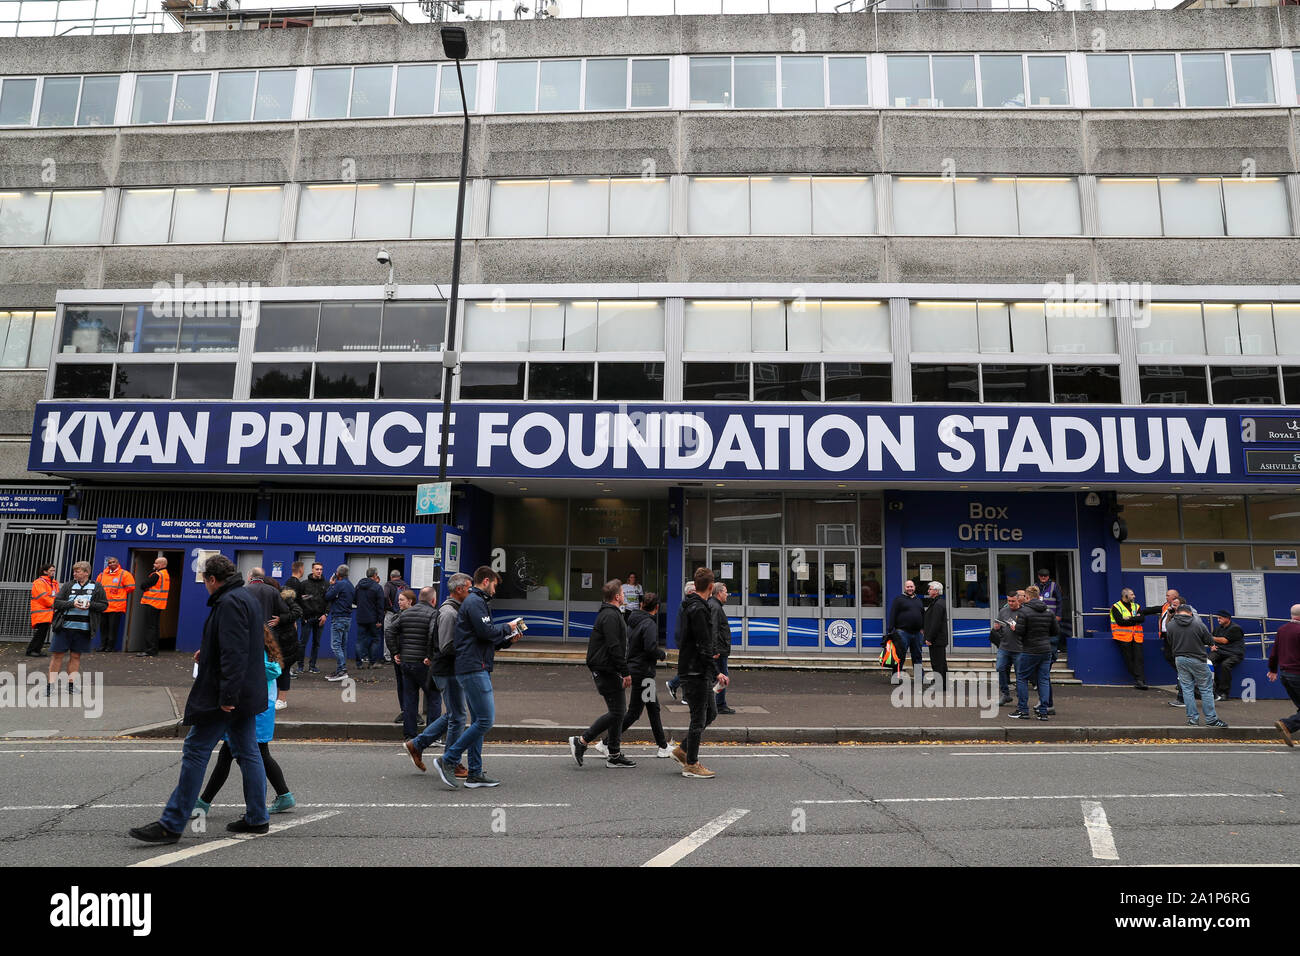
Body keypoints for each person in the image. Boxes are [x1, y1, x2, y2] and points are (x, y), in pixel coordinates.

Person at [129, 554, 269, 844]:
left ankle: (171, 823)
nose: (205, 586)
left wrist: (228, 695)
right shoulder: (245, 597)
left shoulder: (228, 602)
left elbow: (235, 652)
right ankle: (257, 818)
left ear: (212, 579)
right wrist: (207, 651)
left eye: (205, 581)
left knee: (195, 749)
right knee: (248, 751)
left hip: (227, 694)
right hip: (247, 690)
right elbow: (242, 643)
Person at [430, 567, 522, 790]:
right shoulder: (475, 602)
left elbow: (485, 639)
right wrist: (507, 626)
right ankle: (448, 760)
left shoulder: (475, 602)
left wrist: (508, 639)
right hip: (473, 668)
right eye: (495, 585)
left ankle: (475, 773)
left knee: (479, 720)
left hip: (473, 666)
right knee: (485, 720)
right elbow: (486, 633)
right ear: (487, 581)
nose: (495, 589)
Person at [193, 626, 296, 817]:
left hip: (256, 708)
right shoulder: (261, 648)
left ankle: (203, 803)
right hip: (259, 707)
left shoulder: (254, 651)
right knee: (257, 755)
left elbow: (269, 670)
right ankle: (283, 795)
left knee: (230, 755)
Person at [404, 574, 471, 780]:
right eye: (469, 588)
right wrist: (470, 649)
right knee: (457, 716)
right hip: (447, 670)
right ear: (458, 590)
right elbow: (446, 645)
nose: (471, 592)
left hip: (448, 669)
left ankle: (418, 744)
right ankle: (451, 761)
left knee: (454, 714)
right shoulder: (449, 612)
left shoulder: (451, 609)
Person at [570, 580, 636, 769]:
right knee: (618, 712)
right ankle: (582, 741)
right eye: (622, 592)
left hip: (608, 668)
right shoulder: (610, 616)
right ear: (616, 597)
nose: (624, 595)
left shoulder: (612, 614)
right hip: (606, 668)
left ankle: (614, 753)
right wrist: (625, 672)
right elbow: (614, 646)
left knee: (618, 712)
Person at [674, 566, 728, 779]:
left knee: (711, 713)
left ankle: (683, 750)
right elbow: (703, 643)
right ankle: (691, 764)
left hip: (698, 669)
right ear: (712, 586)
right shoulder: (698, 609)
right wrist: (716, 671)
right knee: (698, 718)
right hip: (694, 670)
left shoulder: (695, 605)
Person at [620, 593, 674, 758]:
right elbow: (650, 648)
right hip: (644, 674)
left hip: (637, 670)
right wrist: (662, 654)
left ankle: (663, 745)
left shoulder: (633, 621)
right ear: (656, 608)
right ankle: (607, 741)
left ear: (642, 605)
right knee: (635, 712)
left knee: (653, 708)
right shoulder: (649, 623)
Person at [49, 561, 108, 695]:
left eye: (78, 571)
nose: (74, 573)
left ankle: (70, 686)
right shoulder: (68, 585)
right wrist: (72, 604)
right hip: (64, 628)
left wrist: (90, 604)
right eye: (74, 571)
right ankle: (50, 686)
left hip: (83, 628)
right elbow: (56, 603)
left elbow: (104, 605)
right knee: (57, 656)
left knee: (75, 656)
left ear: (86, 573)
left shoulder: (97, 587)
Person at [1167, 605, 1227, 728]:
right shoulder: (1197, 623)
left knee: (1187, 690)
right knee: (1205, 689)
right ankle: (1211, 719)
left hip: (1180, 659)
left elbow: (1170, 640)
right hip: (1197, 658)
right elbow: (1209, 639)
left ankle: (1193, 720)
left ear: (1178, 612)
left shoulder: (1171, 624)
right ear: (1190, 613)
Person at [391, 586, 438, 741]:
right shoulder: (433, 613)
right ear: (433, 600)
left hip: (406, 662)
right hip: (423, 663)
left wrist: (395, 652)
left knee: (410, 698)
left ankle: (409, 734)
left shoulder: (405, 614)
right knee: (433, 696)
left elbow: (389, 631)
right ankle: (431, 734)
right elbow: (433, 634)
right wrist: (430, 655)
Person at [1009, 584, 1057, 720]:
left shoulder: (1024, 612)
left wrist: (1015, 627)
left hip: (1029, 649)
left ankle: (1023, 710)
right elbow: (1055, 631)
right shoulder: (1048, 611)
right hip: (1045, 650)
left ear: (1028, 597)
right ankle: (1043, 712)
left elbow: (1020, 632)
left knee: (1022, 678)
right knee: (1043, 680)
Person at [1268, 604, 1300, 747]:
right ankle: (1287, 725)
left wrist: (1273, 670)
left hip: (1285, 675)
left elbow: (1274, 652)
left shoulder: (1282, 630)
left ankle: (1288, 726)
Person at [1109, 587, 1148, 690]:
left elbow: (1142, 618)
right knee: (1129, 659)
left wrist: (1130, 618)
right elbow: (1120, 622)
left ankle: (1140, 681)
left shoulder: (1136, 606)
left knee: (1139, 659)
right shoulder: (1116, 606)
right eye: (1132, 594)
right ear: (1125, 596)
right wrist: (1135, 620)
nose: (1134, 596)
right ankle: (1138, 679)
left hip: (1137, 637)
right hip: (1123, 638)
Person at [886, 580, 925, 678]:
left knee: (917, 656)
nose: (910, 588)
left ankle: (919, 677)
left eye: (911, 586)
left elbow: (923, 614)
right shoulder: (899, 599)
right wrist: (890, 629)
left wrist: (923, 628)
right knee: (900, 656)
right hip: (902, 632)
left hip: (917, 633)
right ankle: (896, 677)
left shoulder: (918, 600)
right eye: (908, 587)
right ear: (905, 588)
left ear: (914, 587)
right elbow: (893, 614)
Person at [95, 556, 135, 652]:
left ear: (117, 563)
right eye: (109, 563)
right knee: (103, 627)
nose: (111, 564)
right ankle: (103, 645)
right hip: (104, 606)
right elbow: (97, 588)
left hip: (116, 606)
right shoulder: (102, 575)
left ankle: (110, 647)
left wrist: (119, 594)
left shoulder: (124, 574)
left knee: (113, 628)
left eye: (113, 562)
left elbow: (131, 587)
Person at [323, 564, 355, 682]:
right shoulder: (350, 585)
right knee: (342, 646)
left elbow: (327, 596)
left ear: (338, 574)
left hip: (338, 617)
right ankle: (340, 669)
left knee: (335, 645)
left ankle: (342, 670)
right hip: (347, 618)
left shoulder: (339, 584)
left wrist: (331, 585)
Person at [664, 580, 695, 703]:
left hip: (684, 640)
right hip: (685, 641)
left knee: (688, 667)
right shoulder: (687, 604)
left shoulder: (685, 603)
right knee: (689, 668)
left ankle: (675, 686)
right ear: (691, 592)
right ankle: (683, 694)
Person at [990, 590, 1021, 706]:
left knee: (1020, 673)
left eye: (1013, 601)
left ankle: (1021, 698)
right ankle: (1005, 694)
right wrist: (997, 628)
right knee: (1000, 668)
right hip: (1004, 646)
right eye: (1009, 601)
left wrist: (1017, 628)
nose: (1011, 603)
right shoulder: (1003, 611)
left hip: (1019, 648)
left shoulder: (1023, 612)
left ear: (1018, 600)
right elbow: (999, 626)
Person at [297, 562, 328, 675]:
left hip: (320, 618)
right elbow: (299, 601)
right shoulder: (304, 584)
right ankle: (300, 666)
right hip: (307, 619)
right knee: (302, 643)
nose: (319, 571)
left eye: (321, 569)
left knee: (316, 643)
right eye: (317, 569)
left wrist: (326, 614)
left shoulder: (326, 584)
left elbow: (328, 601)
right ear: (312, 570)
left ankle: (312, 666)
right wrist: (302, 615)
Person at [136, 555, 170, 658]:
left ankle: (149, 650)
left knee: (150, 628)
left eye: (156, 563)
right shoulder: (166, 574)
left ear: (162, 565)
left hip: (152, 602)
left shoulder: (156, 575)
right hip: (159, 604)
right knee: (154, 627)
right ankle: (153, 650)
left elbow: (143, 585)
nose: (154, 565)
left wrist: (151, 573)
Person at [711, 582, 736, 715]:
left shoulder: (715, 606)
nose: (727, 594)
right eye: (725, 592)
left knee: (717, 677)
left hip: (720, 649)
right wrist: (715, 649)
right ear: (719, 593)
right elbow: (713, 629)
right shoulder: (715, 607)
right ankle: (719, 704)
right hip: (719, 651)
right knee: (723, 677)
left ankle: (715, 702)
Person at [354, 567, 386, 670]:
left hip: (361, 617)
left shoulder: (358, 586)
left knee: (360, 641)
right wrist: (380, 620)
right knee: (376, 639)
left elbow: (354, 600)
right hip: (373, 619)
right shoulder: (377, 587)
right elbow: (381, 606)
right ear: (375, 575)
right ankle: (372, 663)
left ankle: (359, 663)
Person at [1210, 610, 1245, 701]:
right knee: (1208, 662)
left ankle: (1224, 693)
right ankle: (1214, 689)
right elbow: (1212, 641)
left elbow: (1224, 640)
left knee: (1225, 665)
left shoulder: (1235, 628)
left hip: (1235, 654)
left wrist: (1211, 638)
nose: (1218, 620)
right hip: (1220, 652)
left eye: (1220, 618)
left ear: (1227, 618)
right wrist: (1212, 645)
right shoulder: (1218, 628)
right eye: (1217, 618)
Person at [26, 562, 57, 658]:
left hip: (47, 612)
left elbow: (56, 595)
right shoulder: (39, 582)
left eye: (54, 570)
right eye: (51, 570)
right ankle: (32, 650)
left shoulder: (53, 582)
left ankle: (36, 650)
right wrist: (55, 604)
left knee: (42, 632)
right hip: (41, 611)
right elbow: (42, 597)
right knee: (41, 633)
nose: (53, 572)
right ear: (45, 571)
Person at [923, 581, 948, 688]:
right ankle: (942, 683)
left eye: (930, 589)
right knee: (941, 662)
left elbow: (935, 623)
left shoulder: (938, 604)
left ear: (936, 591)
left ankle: (940, 684)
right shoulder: (937, 602)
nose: (928, 590)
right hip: (938, 639)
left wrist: (929, 638)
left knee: (937, 663)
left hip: (937, 639)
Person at [383, 568, 407, 663]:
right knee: (401, 634)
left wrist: (388, 607)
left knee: (388, 634)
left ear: (391, 577)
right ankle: (399, 656)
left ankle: (388, 657)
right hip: (402, 613)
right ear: (400, 577)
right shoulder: (405, 585)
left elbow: (385, 596)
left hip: (390, 613)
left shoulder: (388, 584)